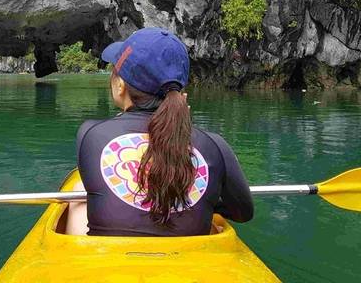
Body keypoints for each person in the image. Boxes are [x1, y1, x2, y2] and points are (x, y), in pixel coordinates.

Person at [66, 27, 253, 236]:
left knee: (77, 192)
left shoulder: (91, 134)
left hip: (113, 262)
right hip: (188, 262)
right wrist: (202, 198)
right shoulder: (215, 145)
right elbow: (242, 213)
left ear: (120, 85)